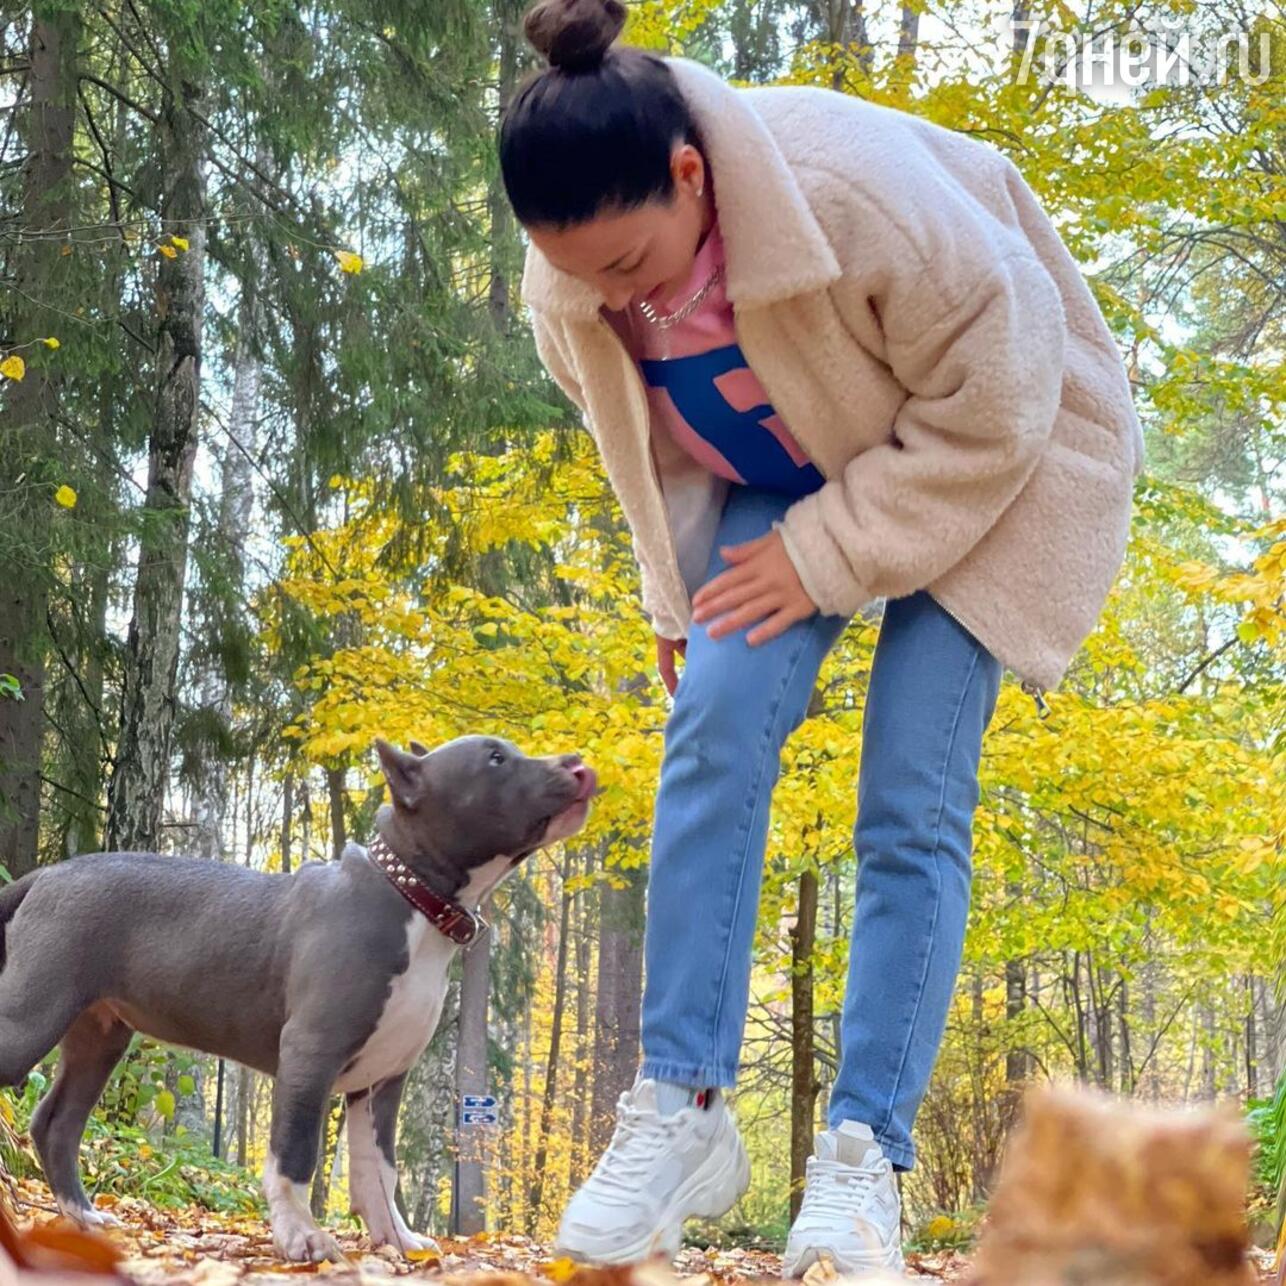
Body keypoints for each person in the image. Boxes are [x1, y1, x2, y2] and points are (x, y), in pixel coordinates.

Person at [499, 0, 1143, 1275]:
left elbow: (996, 402)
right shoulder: (570, 270)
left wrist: (822, 556)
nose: (609, 296)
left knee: (908, 789)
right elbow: (648, 449)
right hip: (794, 451)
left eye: (630, 265)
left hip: (991, 459)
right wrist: (677, 596)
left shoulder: (859, 196)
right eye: (582, 276)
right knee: (714, 721)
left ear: (691, 176)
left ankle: (862, 1160)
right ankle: (681, 1104)